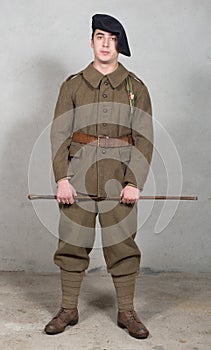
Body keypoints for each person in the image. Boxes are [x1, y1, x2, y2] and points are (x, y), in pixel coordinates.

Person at [45, 14, 153, 339]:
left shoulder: (136, 88)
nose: (106, 44)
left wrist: (134, 181)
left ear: (120, 44)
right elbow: (59, 134)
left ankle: (127, 312)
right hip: (77, 180)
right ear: (91, 41)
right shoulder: (73, 85)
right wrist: (62, 178)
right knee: (72, 244)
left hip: (119, 181)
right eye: (100, 37)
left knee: (122, 246)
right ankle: (68, 308)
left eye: (112, 38)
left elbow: (144, 138)